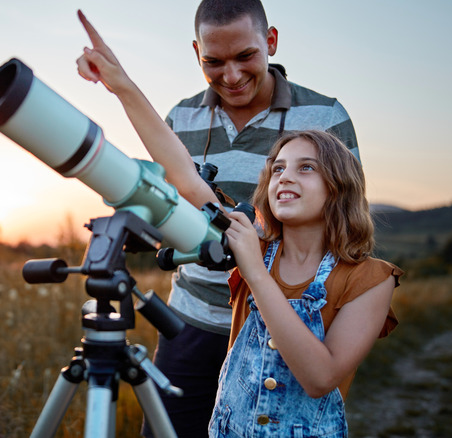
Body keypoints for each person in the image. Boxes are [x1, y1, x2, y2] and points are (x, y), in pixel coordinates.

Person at [76, 0, 367, 434]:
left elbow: (346, 224)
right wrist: (149, 225)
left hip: (277, 324)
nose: (230, 76)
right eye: (213, 62)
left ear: (270, 41)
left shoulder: (324, 117)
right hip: (189, 321)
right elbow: (180, 206)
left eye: (245, 56)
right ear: (196, 53)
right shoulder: (182, 116)